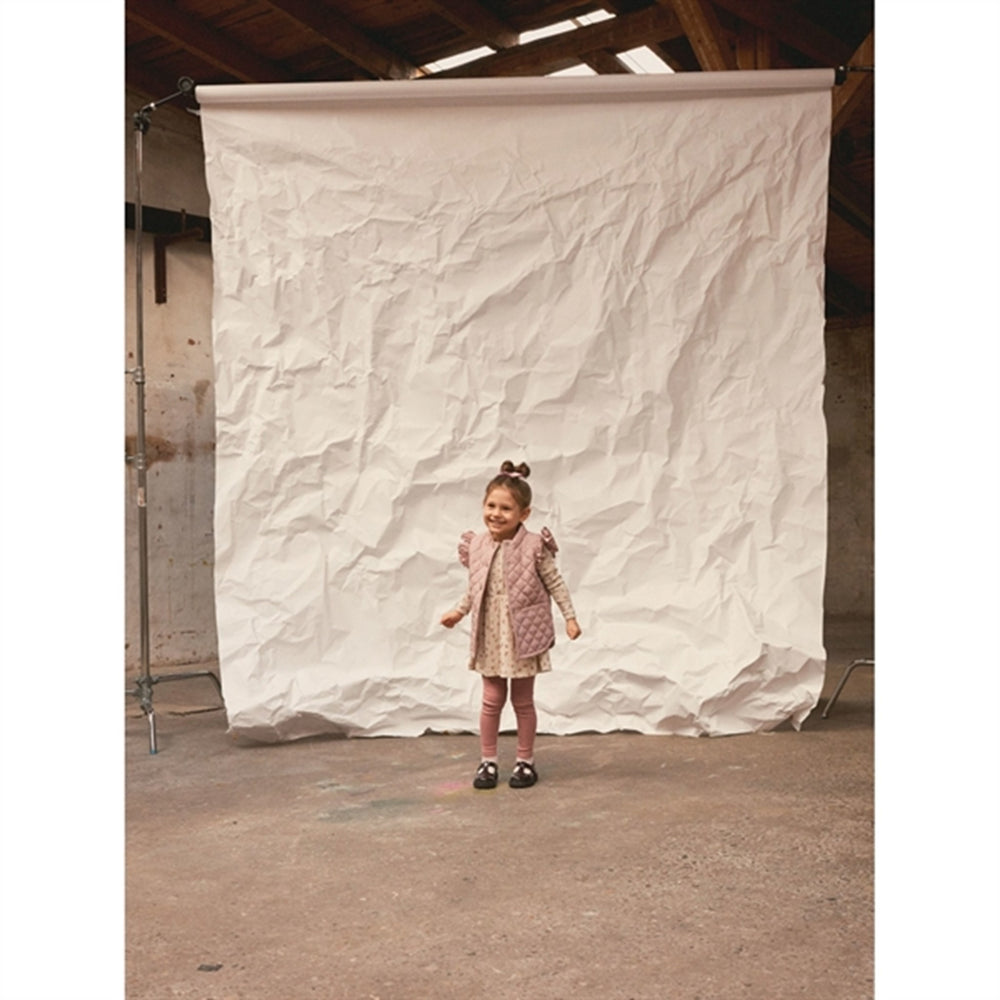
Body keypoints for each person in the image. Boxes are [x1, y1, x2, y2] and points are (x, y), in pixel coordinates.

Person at [441, 460, 581, 789]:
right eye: (491, 505)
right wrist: (458, 612)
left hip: (522, 633)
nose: (496, 514)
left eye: (506, 508)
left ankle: (525, 761)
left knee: (522, 701)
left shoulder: (534, 547)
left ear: (524, 514)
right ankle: (488, 761)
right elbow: (475, 587)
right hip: (491, 632)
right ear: (483, 505)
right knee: (491, 699)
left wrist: (570, 617)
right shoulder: (477, 544)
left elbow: (555, 583)